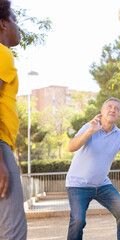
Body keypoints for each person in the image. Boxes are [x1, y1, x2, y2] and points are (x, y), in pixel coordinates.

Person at [66, 97, 120, 240]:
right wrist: (89, 132)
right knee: (78, 220)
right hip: (78, 184)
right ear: (102, 111)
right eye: (109, 107)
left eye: (117, 109)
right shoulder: (89, 127)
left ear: (119, 115)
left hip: (102, 184)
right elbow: (71, 147)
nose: (112, 110)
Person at [0, 1, 27, 239]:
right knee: (13, 228)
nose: (19, 28)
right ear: (3, 23)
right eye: (15, 20)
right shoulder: (2, 53)